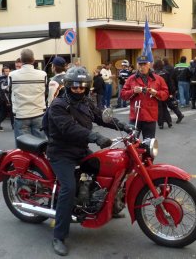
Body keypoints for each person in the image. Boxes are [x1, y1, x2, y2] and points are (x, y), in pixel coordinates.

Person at [45, 66, 133, 256]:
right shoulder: (58, 105)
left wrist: (124, 126)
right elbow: (69, 129)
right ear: (68, 86)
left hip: (79, 149)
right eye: (75, 87)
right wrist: (96, 138)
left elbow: (101, 117)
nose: (79, 90)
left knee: (105, 170)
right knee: (68, 188)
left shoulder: (85, 101)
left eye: (82, 87)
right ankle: (59, 236)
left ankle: (109, 206)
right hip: (61, 153)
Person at [121, 56, 169, 139]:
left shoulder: (158, 79)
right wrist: (133, 91)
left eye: (144, 64)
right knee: (132, 143)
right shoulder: (131, 79)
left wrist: (156, 93)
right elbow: (123, 95)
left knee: (148, 144)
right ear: (137, 65)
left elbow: (165, 94)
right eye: (140, 64)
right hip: (135, 117)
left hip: (150, 116)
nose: (142, 67)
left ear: (149, 65)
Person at [9, 49, 48, 139]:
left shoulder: (12, 75)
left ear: (21, 61)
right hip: (38, 112)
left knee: (23, 147)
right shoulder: (43, 74)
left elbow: (10, 92)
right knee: (40, 145)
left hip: (21, 114)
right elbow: (45, 92)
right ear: (33, 60)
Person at [153, 59, 174, 129]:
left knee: (159, 108)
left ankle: (160, 124)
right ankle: (169, 122)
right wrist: (171, 92)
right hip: (165, 92)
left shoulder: (154, 74)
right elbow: (170, 83)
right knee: (164, 107)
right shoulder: (166, 72)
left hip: (157, 93)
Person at [0, 66, 11, 131]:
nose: (8, 72)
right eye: (6, 71)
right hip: (3, 98)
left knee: (3, 113)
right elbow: (4, 90)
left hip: (3, 98)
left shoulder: (6, 78)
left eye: (8, 71)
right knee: (4, 113)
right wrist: (6, 100)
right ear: (3, 72)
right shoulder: (2, 79)